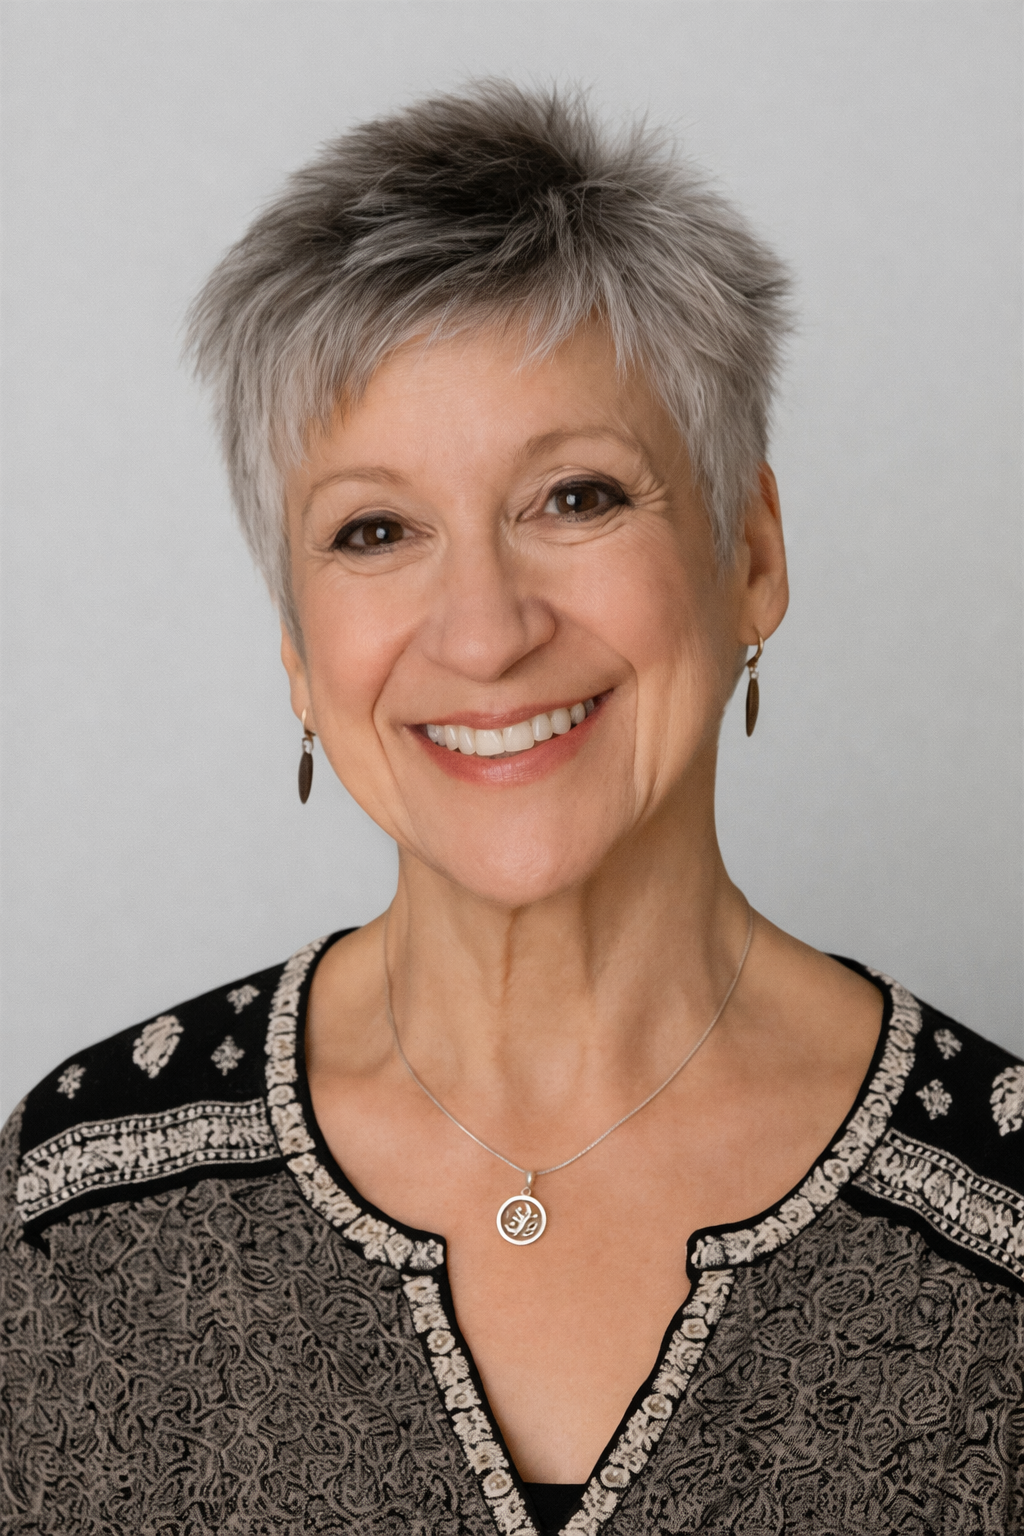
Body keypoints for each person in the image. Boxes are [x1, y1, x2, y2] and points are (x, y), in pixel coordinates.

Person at [2, 82, 1021, 1536]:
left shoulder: (1001, 1231)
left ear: (751, 556)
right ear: (298, 651)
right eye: (374, 530)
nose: (483, 633)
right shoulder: (80, 1203)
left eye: (577, 497)